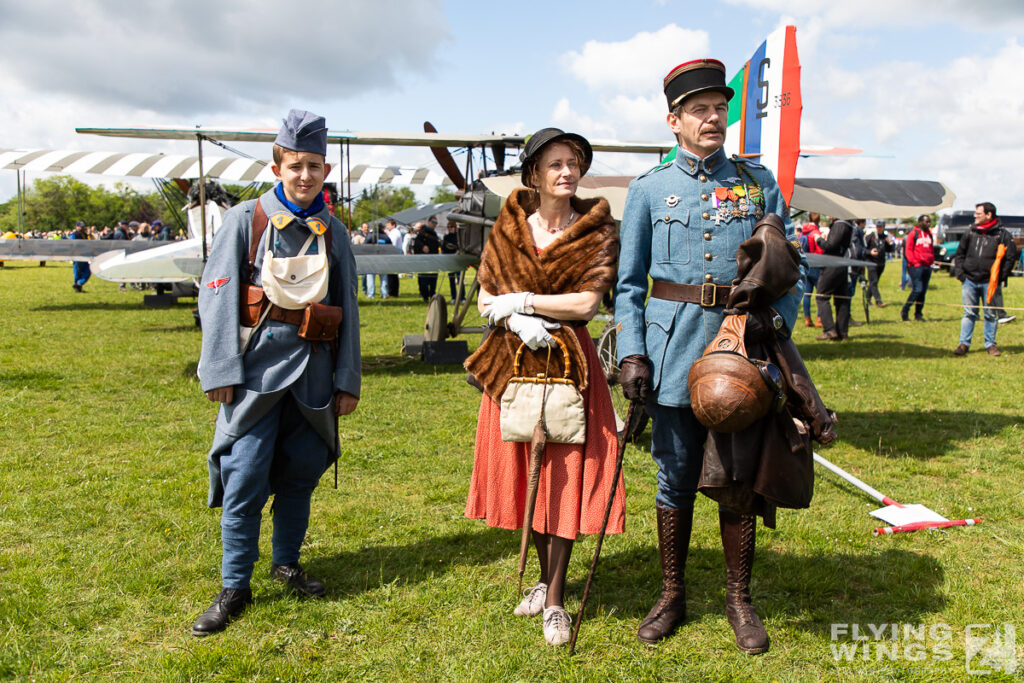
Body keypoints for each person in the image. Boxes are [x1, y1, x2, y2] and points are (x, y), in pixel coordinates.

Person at [614, 58, 801, 655]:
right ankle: (672, 593)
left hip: (739, 352)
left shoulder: (757, 183)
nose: (713, 118)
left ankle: (738, 599)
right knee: (673, 475)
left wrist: (770, 338)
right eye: (699, 110)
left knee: (736, 478)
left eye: (720, 108)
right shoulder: (647, 190)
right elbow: (628, 286)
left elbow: (785, 272)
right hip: (671, 351)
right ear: (674, 120)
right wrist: (633, 354)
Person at [193, 109, 361, 636]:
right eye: (295, 165)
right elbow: (215, 295)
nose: (305, 175)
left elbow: (349, 308)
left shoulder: (334, 232)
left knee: (301, 473)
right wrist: (220, 367)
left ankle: (286, 562)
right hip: (253, 377)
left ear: (325, 170)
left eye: (314, 166)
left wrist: (346, 379)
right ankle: (234, 584)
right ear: (277, 166)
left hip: (313, 375)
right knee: (244, 477)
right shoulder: (245, 220)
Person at [464, 127, 623, 647]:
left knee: (566, 477)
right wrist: (510, 317)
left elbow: (585, 305)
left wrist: (526, 302)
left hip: (570, 367)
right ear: (533, 172)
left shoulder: (595, 230)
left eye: (574, 162)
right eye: (555, 163)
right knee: (524, 472)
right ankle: (542, 577)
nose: (567, 172)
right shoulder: (510, 227)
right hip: (513, 365)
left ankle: (555, 599)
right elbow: (488, 296)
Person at [952, 202, 1019, 357]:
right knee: (969, 313)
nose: (975, 216)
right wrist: (961, 274)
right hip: (969, 280)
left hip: (990, 282)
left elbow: (1010, 257)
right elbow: (960, 253)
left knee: (990, 314)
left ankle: (990, 345)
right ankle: (963, 344)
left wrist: (1000, 276)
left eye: (978, 214)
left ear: (989, 215)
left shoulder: (1002, 234)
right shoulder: (970, 232)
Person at [814, 219, 854, 340]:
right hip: (841, 264)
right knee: (841, 298)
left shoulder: (839, 225)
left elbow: (830, 245)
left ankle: (830, 330)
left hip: (832, 265)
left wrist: (818, 239)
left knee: (821, 296)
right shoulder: (847, 224)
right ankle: (842, 332)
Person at [900, 215, 935, 322]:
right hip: (916, 267)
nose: (928, 224)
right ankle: (905, 310)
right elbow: (908, 250)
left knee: (923, 291)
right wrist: (915, 262)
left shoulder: (929, 234)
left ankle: (918, 314)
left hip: (927, 266)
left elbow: (931, 248)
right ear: (920, 222)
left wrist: (931, 261)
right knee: (917, 289)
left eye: (929, 222)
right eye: (926, 222)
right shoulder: (913, 234)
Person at [799, 213, 824, 327]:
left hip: (805, 265)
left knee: (807, 294)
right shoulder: (816, 233)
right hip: (816, 266)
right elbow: (820, 251)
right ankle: (819, 319)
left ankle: (807, 319)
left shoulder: (802, 233)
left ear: (808, 219)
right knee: (820, 295)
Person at [864, 221, 893, 306]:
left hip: (881, 263)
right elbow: (863, 249)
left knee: (874, 283)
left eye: (880, 226)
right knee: (874, 281)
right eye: (877, 226)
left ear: (884, 227)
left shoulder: (885, 237)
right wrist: (870, 252)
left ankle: (867, 299)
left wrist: (890, 243)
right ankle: (878, 301)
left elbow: (890, 250)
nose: (878, 228)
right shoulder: (871, 236)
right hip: (871, 262)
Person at [414, 216, 441, 301]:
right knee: (423, 280)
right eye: (433, 222)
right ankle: (425, 296)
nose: (434, 225)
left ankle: (432, 294)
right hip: (423, 261)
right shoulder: (422, 232)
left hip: (433, 260)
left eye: (436, 223)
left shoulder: (434, 234)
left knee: (433, 279)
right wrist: (422, 246)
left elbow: (437, 246)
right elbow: (416, 244)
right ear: (429, 222)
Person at [442, 221, 466, 304]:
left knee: (460, 279)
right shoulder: (446, 237)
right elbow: (444, 249)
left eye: (451, 227)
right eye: (448, 227)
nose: (450, 228)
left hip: (458, 261)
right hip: (450, 261)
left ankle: (462, 297)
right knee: (451, 280)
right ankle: (454, 297)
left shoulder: (458, 236)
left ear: (455, 227)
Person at [69, 220, 91, 292]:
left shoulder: (85, 235)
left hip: (85, 256)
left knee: (88, 271)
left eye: (83, 226)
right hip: (77, 256)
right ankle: (78, 287)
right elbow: (70, 245)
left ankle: (78, 283)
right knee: (78, 272)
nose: (82, 228)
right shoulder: (74, 235)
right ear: (76, 227)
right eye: (80, 226)